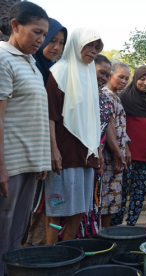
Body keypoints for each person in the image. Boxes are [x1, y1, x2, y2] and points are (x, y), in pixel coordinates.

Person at [0, 2, 50, 273]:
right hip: (10, 162)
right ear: (15, 26)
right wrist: (1, 166)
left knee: (17, 229)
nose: (41, 39)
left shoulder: (30, 61)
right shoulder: (2, 58)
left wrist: (41, 159)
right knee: (3, 226)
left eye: (44, 33)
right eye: (36, 32)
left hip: (29, 162)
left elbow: (34, 114)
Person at [45, 28, 104, 244]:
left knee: (80, 206)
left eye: (96, 47)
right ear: (76, 44)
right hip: (64, 149)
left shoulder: (88, 74)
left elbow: (92, 117)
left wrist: (97, 149)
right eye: (88, 45)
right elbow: (51, 115)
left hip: (86, 151)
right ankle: (51, 252)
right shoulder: (59, 72)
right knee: (56, 206)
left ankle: (68, 248)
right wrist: (53, 149)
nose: (93, 51)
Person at [23, 18, 67, 247]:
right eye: (52, 41)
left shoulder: (54, 73)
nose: (56, 47)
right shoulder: (29, 67)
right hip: (23, 148)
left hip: (42, 149)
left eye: (61, 42)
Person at [76, 54, 124, 237]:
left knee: (93, 201)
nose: (103, 78)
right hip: (80, 157)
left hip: (98, 157)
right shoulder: (78, 92)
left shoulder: (102, 97)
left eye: (106, 75)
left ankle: (89, 239)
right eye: (101, 73)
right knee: (78, 204)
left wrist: (116, 152)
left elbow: (108, 125)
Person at [112, 66, 146, 226]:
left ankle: (131, 227)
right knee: (121, 194)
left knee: (139, 194)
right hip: (126, 155)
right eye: (142, 79)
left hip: (145, 156)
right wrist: (126, 148)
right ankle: (115, 228)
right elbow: (119, 126)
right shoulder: (124, 98)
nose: (145, 83)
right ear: (135, 79)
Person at [101, 61, 130, 228]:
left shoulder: (115, 96)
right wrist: (117, 154)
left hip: (116, 154)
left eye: (127, 78)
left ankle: (107, 234)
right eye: (121, 77)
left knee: (111, 201)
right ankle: (103, 236)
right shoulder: (105, 95)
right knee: (105, 199)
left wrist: (124, 147)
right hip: (108, 155)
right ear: (110, 75)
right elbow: (108, 127)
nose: (124, 81)